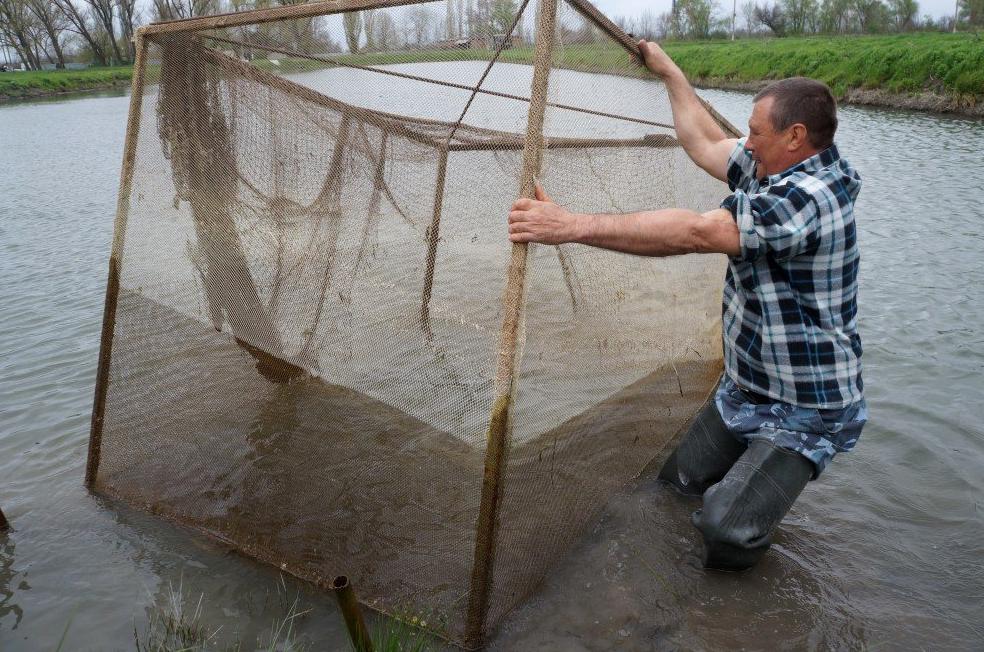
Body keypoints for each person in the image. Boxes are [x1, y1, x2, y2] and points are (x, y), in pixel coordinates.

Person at [507, 41, 867, 571]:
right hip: (748, 388)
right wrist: (670, 73)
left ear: (795, 137)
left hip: (805, 406)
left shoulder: (811, 196)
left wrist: (573, 226)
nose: (748, 140)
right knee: (675, 485)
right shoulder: (773, 168)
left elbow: (699, 232)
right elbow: (703, 142)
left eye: (757, 131)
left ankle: (728, 611)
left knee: (724, 528)